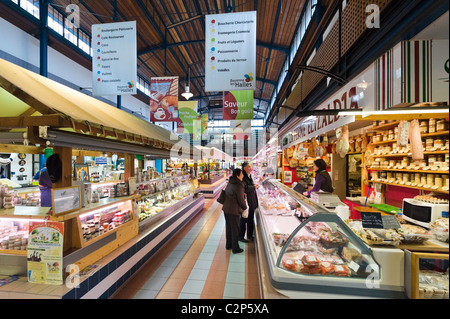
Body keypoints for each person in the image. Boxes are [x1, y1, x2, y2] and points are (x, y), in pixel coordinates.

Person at [222, 168, 247, 254]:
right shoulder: (239, 185)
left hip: (226, 208)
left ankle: (228, 245)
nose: (243, 175)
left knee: (229, 227)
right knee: (235, 229)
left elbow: (231, 193)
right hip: (233, 210)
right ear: (237, 175)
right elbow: (241, 201)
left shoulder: (231, 182)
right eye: (241, 174)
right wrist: (245, 207)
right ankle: (235, 248)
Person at [240, 162, 259, 242]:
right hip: (247, 201)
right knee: (244, 219)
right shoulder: (243, 176)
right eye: (248, 167)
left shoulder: (248, 176)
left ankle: (249, 235)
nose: (250, 168)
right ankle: (241, 237)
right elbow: (245, 188)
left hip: (250, 200)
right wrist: (253, 187)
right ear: (244, 168)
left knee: (250, 218)